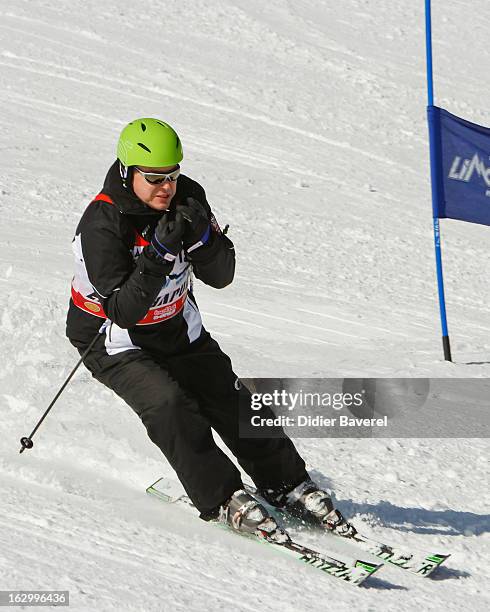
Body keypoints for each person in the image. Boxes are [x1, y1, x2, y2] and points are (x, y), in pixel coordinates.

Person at [66, 118, 352, 540]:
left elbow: (221, 276)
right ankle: (221, 496)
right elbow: (124, 310)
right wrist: (158, 256)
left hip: (176, 324)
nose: (168, 186)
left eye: (174, 174)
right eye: (156, 178)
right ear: (128, 172)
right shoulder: (103, 224)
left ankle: (287, 483)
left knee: (229, 397)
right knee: (170, 405)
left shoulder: (189, 196)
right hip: (115, 340)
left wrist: (204, 240)